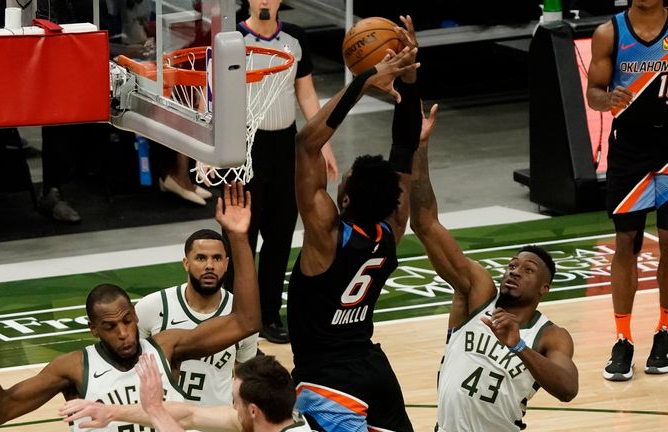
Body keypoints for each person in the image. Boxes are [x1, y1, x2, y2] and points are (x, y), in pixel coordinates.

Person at [0, 182, 260, 431]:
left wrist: (238, 239)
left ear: (136, 316)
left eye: (127, 321)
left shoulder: (165, 348)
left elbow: (246, 321)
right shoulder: (74, 367)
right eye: (111, 327)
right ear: (93, 329)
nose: (124, 334)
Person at [286, 16, 422, 431]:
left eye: (341, 180)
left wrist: (364, 79)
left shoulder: (327, 234)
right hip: (373, 370)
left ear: (343, 199)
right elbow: (404, 145)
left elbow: (307, 143)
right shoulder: (392, 230)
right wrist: (410, 78)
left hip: (326, 382)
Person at [407, 113, 579, 430]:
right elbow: (425, 224)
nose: (515, 271)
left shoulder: (550, 335)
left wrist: (518, 346)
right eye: (513, 265)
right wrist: (420, 146)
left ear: (545, 288)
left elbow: (568, 389)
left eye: (528, 270)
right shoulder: (478, 294)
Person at [234, 0, 339, 344]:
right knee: (243, 237)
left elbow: (306, 93)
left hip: (285, 148)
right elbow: (214, 96)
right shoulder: (231, 38)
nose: (265, 0)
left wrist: (324, 143)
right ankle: (234, 315)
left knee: (279, 237)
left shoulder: (295, 38)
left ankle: (267, 315)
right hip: (244, 148)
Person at [587, 0, 668, 381]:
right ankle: (623, 338)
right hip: (629, 149)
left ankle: (665, 331)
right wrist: (607, 99)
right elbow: (593, 93)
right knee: (625, 242)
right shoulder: (609, 33)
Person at [135, 228, 258, 405]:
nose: (210, 265)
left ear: (226, 263)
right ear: (186, 263)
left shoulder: (241, 315)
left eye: (217, 258)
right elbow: (128, 368)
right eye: (201, 258)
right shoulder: (151, 307)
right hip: (168, 420)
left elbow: (247, 377)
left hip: (219, 422)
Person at [59, 354, 311, 432]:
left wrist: (156, 409)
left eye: (235, 401)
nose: (232, 407)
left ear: (253, 410)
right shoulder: (278, 418)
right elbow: (190, 414)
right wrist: (111, 412)